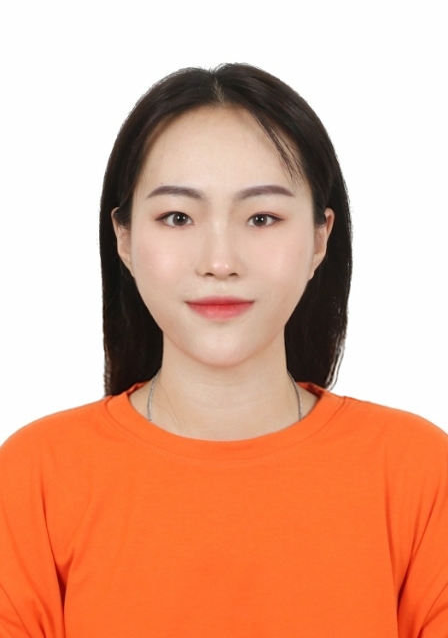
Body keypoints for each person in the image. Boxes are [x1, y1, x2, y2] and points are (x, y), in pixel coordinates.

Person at [1, 64, 447, 637]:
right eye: (177, 217)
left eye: (262, 217)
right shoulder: (36, 477)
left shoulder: (418, 473)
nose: (219, 261)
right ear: (125, 238)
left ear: (320, 238)